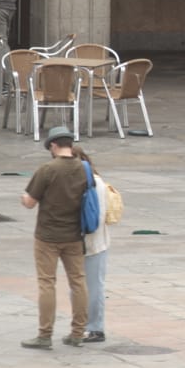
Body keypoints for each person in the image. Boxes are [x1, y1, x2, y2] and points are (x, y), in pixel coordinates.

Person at [20, 126, 88, 349]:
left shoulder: (48, 169)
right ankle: (78, 332)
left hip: (47, 235)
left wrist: (23, 197)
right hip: (74, 234)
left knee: (47, 283)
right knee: (78, 281)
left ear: (53, 145)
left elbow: (30, 203)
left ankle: (45, 335)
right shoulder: (83, 168)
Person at [72, 146, 111, 343]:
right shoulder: (94, 181)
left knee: (93, 286)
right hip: (88, 243)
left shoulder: (94, 184)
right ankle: (83, 326)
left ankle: (95, 328)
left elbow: (98, 217)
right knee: (81, 286)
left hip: (92, 243)